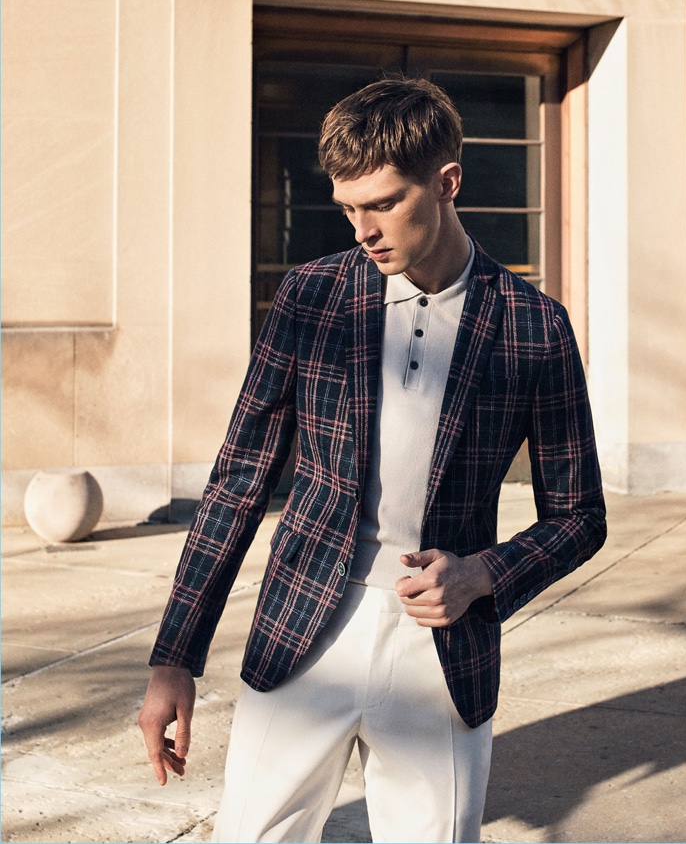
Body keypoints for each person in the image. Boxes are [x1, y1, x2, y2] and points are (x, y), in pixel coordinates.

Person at [138, 77, 606, 843]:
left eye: (383, 203)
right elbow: (238, 481)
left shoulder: (534, 327)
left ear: (447, 182)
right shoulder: (312, 298)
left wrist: (483, 574)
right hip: (303, 634)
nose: (363, 228)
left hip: (441, 647)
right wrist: (174, 659)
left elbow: (580, 516)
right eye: (348, 207)